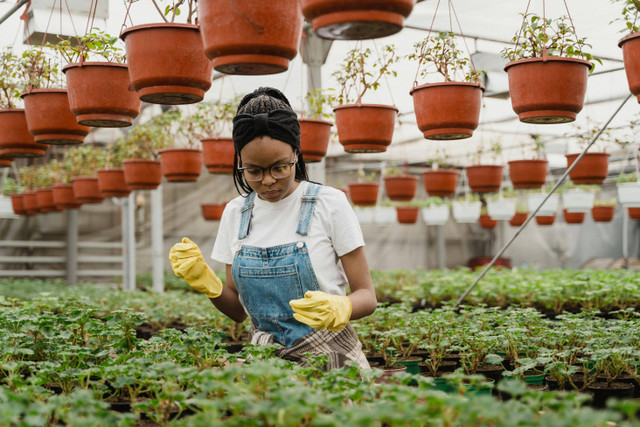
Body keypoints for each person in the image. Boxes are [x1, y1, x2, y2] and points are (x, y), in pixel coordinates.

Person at [169, 87, 376, 370]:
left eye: (280, 168)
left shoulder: (329, 203)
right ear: (239, 162)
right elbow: (238, 312)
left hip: (332, 362)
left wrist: (344, 307)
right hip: (265, 364)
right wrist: (206, 281)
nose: (268, 181)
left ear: (296, 154)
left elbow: (367, 295)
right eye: (254, 171)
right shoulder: (235, 214)